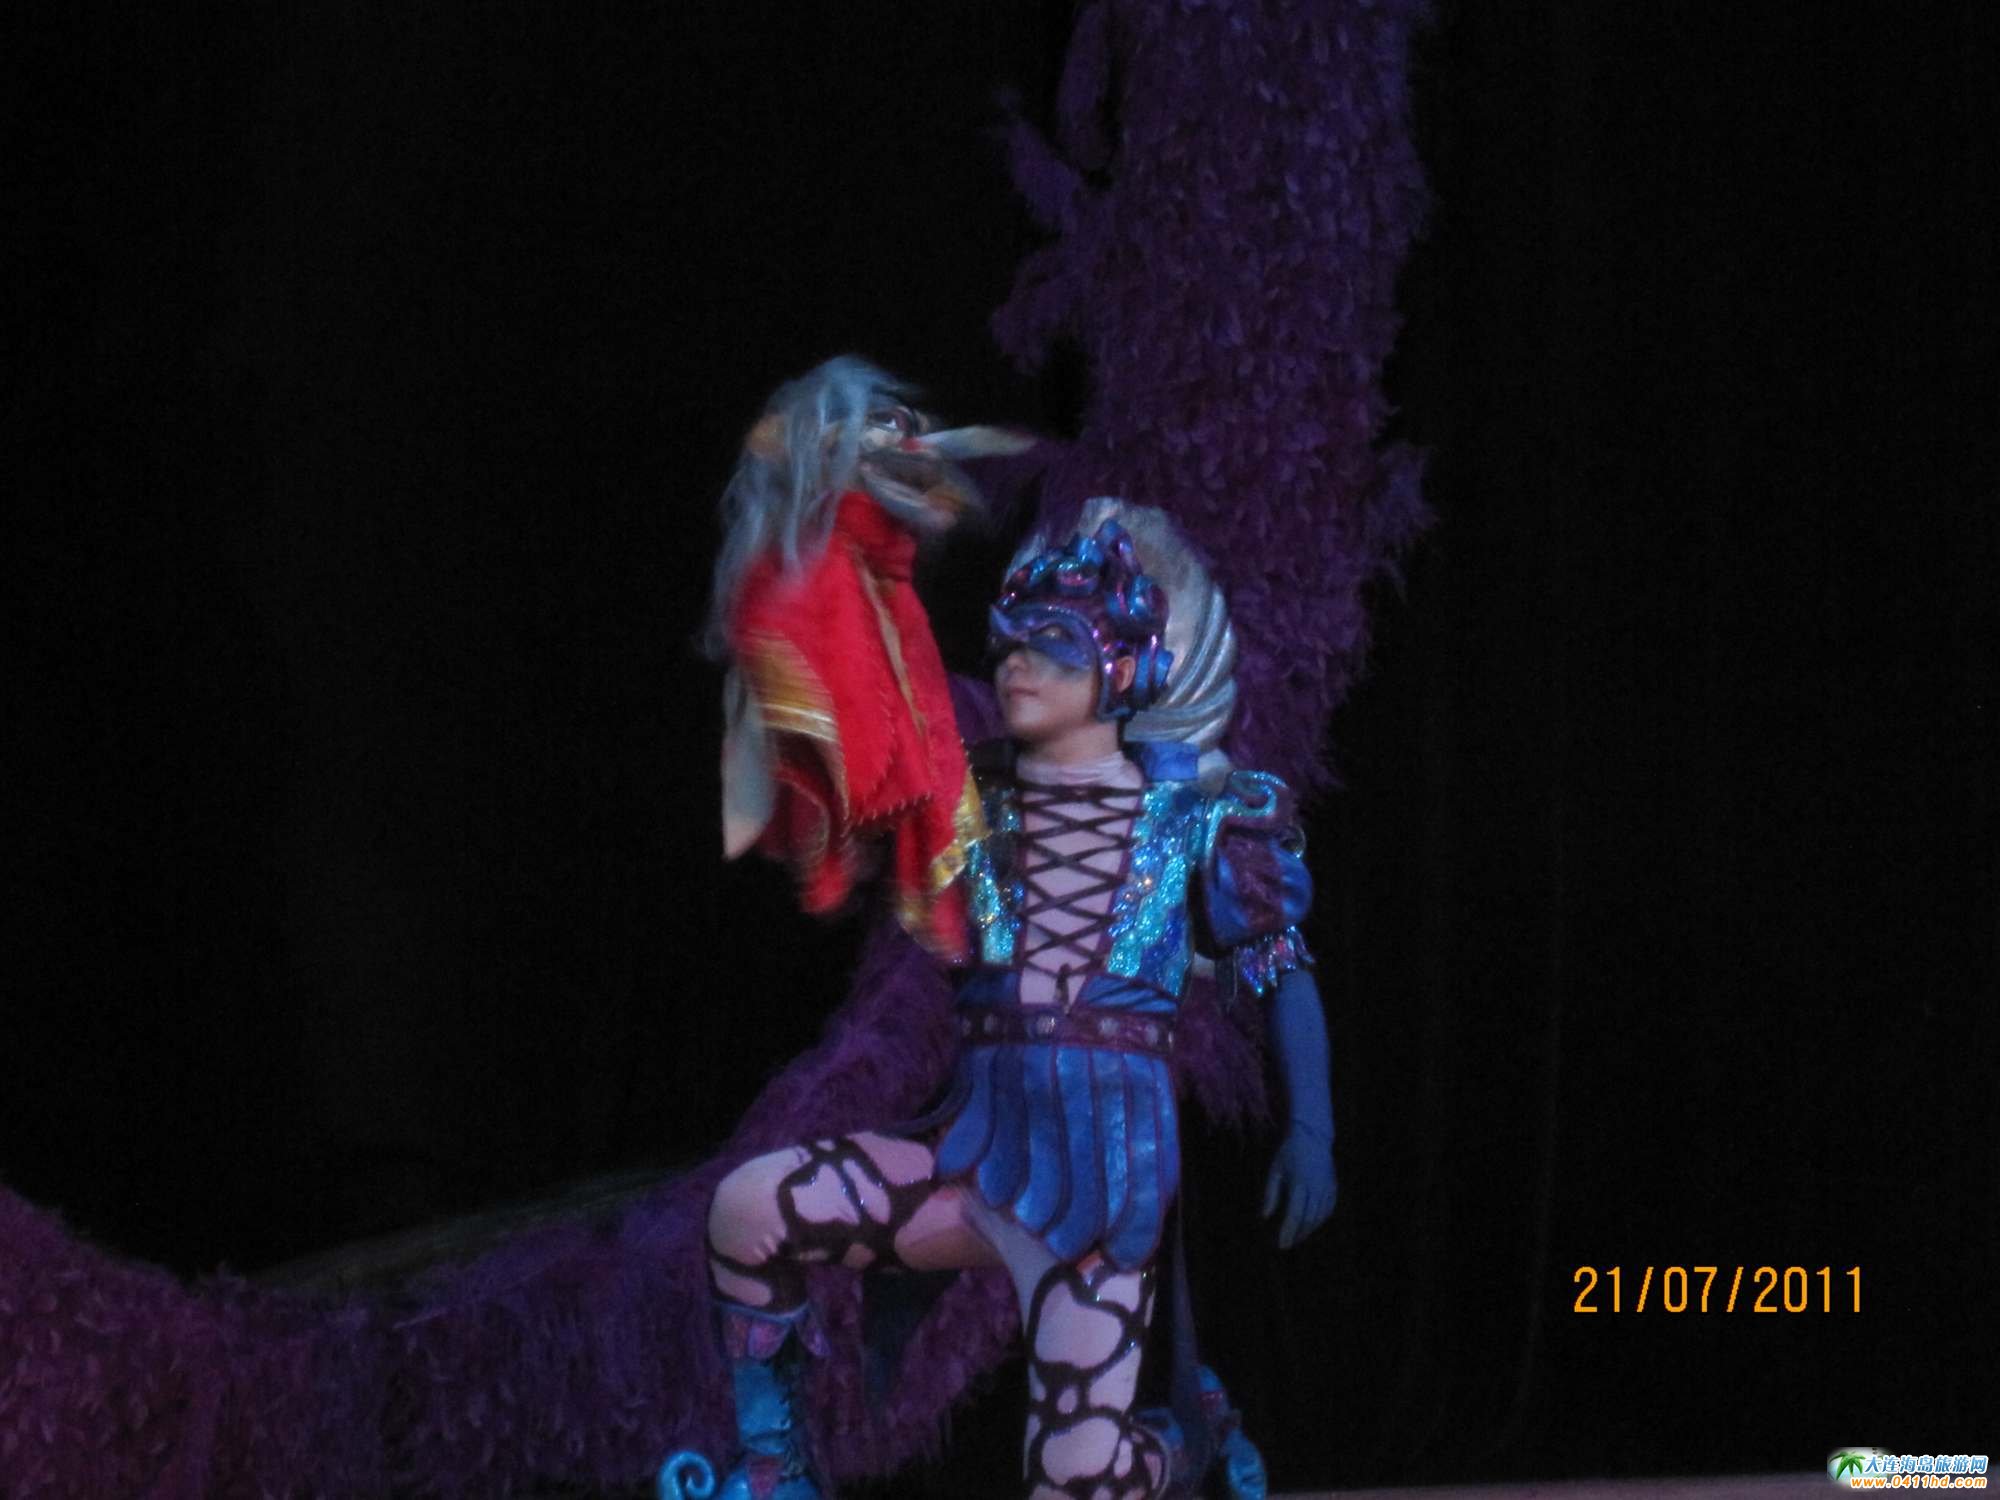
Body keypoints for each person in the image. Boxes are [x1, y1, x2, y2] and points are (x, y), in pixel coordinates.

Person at [672, 476, 1335, 1499]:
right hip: (972, 1156)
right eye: (1012, 641)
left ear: (1119, 666)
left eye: (1053, 645)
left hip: (1101, 1186)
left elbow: (1279, 969)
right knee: (746, 1210)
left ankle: (1179, 1445)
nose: (1017, 662)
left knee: (1072, 1480)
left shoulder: (1201, 817)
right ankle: (776, 1468)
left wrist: (1312, 1132)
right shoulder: (970, 794)